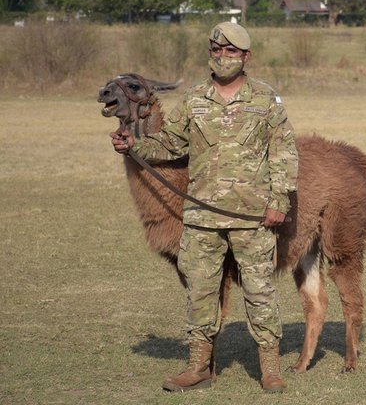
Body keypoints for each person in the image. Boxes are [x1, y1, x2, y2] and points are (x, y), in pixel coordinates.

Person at [111, 22, 299, 393]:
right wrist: (133, 145)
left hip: (252, 218)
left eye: (231, 52)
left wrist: (279, 202)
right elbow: (169, 144)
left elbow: (284, 154)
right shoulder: (195, 99)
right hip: (201, 218)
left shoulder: (265, 99)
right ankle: (198, 368)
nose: (222, 57)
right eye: (217, 50)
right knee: (200, 292)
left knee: (259, 293)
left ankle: (271, 369)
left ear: (245, 57)